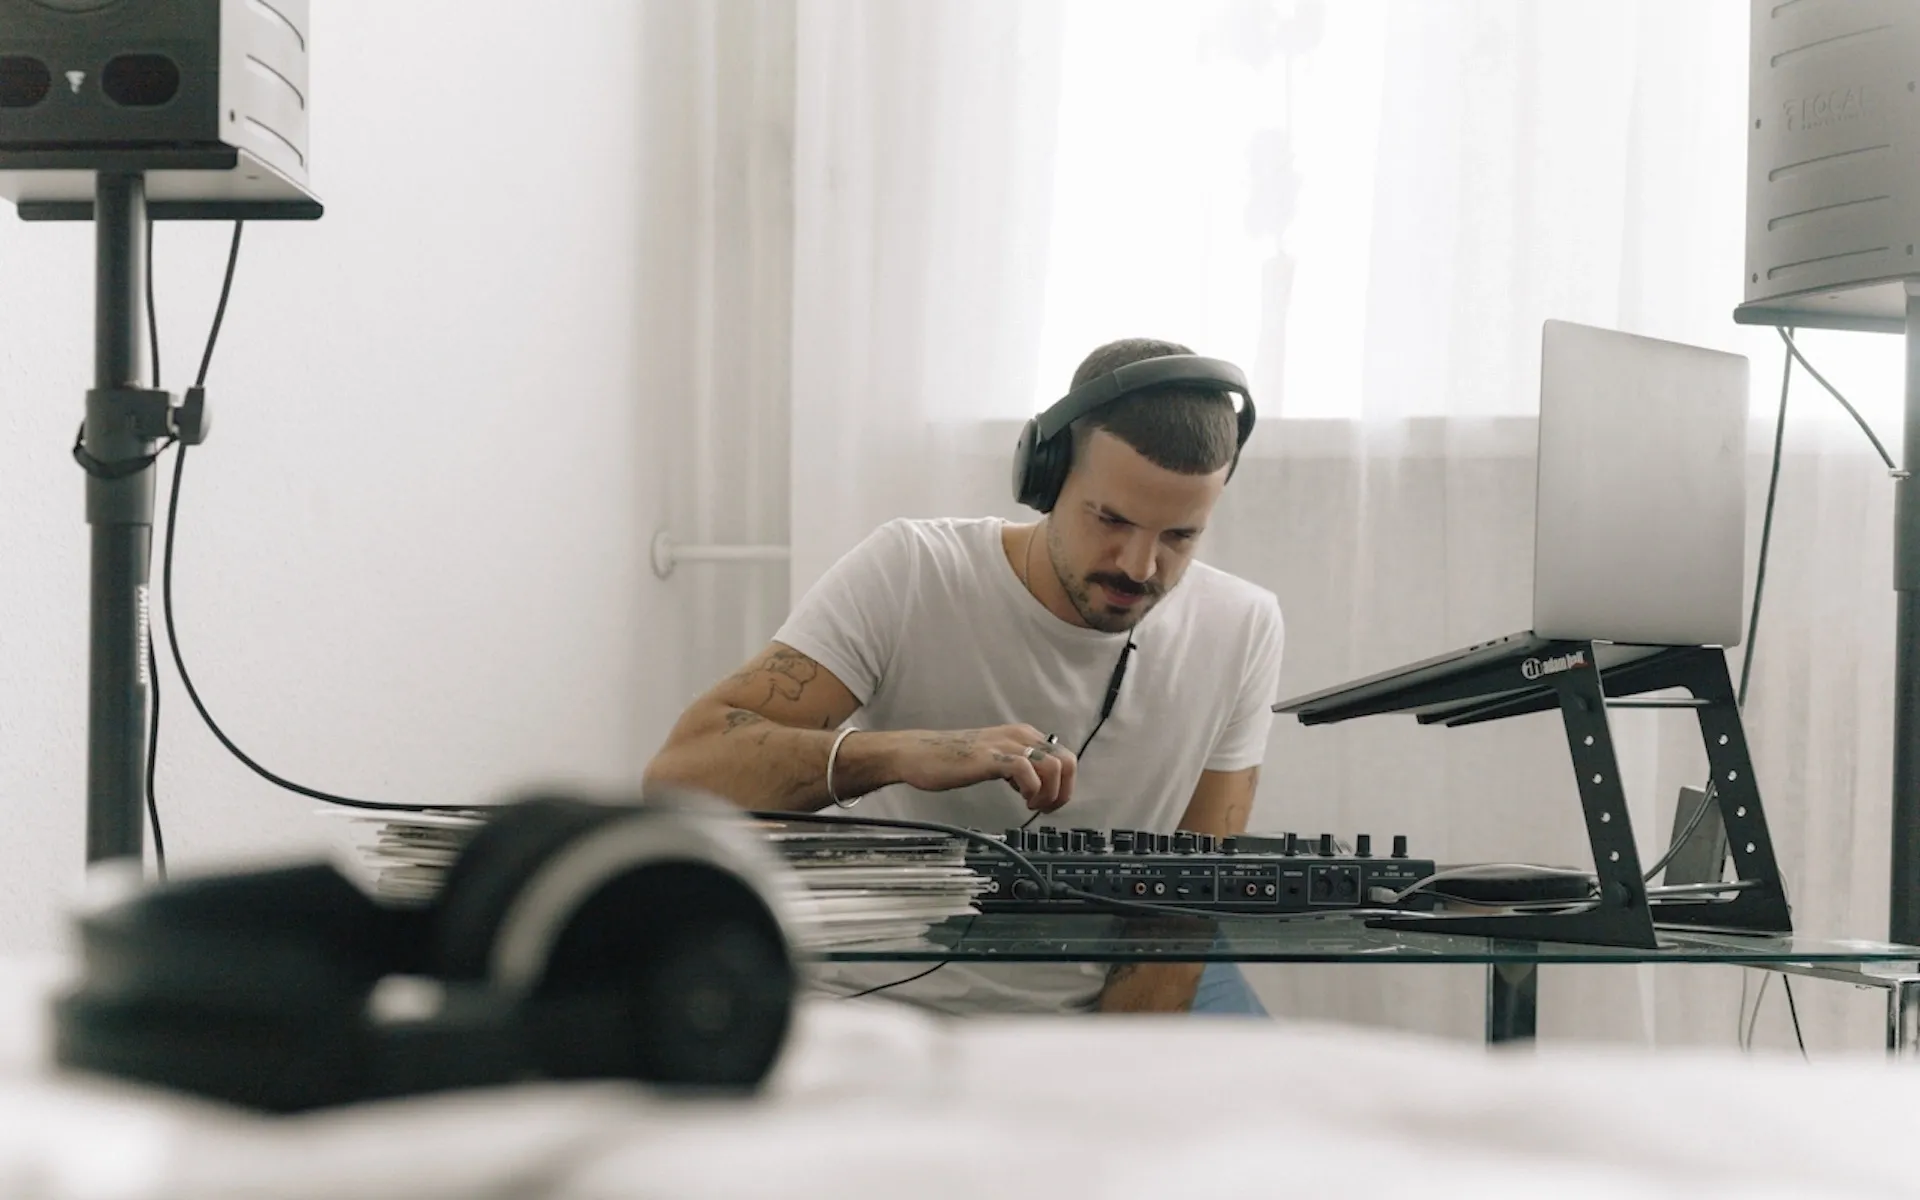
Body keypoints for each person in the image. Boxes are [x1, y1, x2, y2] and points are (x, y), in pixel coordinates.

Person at [644, 336, 1287, 1015]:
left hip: (1079, 1009)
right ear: (1045, 476)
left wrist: (1103, 1081)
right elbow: (683, 774)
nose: (1138, 565)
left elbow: (1182, 906)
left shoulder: (1243, 626)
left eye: (1179, 537)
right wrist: (899, 753)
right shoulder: (911, 569)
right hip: (874, 997)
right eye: (1110, 519)